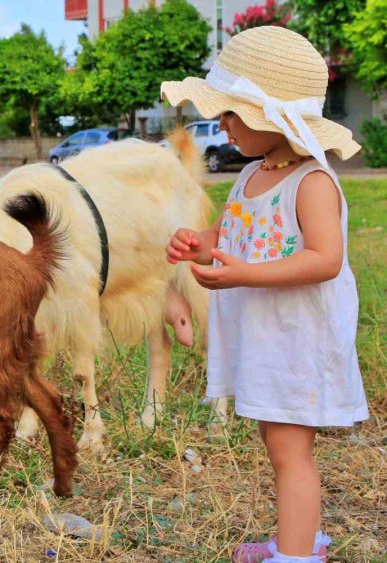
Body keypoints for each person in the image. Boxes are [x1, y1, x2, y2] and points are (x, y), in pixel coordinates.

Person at [161, 26, 369, 563]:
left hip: (296, 341)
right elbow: (234, 237)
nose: (222, 124)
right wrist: (200, 245)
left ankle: (297, 557)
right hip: (266, 337)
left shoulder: (312, 182)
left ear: (272, 117)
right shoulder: (252, 173)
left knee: (290, 452)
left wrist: (241, 276)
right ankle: (297, 541)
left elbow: (325, 260)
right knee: (278, 446)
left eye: (233, 114)